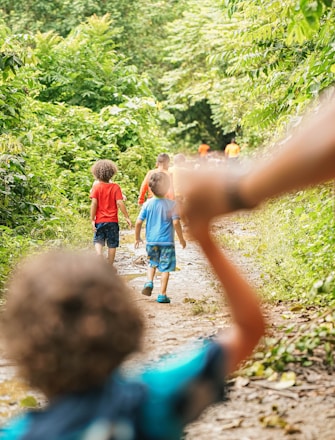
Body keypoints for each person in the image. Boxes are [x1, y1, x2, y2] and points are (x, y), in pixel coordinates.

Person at [0, 193, 265, 439]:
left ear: (19, 347)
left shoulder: (18, 434)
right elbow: (249, 328)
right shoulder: (153, 399)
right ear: (127, 323)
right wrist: (205, 238)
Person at [181, 93, 335, 221]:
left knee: (230, 168)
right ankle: (232, 179)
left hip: (233, 166)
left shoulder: (218, 147)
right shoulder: (224, 147)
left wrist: (235, 190)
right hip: (235, 165)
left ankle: (231, 179)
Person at [135, 172, 186, 303]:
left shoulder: (147, 204)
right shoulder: (172, 204)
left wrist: (137, 238)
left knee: (152, 263)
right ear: (168, 188)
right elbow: (176, 222)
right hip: (167, 242)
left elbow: (139, 222)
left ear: (150, 188)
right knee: (166, 268)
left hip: (151, 241)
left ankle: (149, 282)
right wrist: (181, 239)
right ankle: (162, 295)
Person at [90, 159, 132, 264]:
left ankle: (99, 254)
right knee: (112, 244)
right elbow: (120, 203)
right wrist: (126, 216)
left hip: (99, 220)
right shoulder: (115, 187)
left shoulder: (96, 187)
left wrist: (92, 219)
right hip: (113, 221)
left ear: (96, 173)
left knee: (98, 240)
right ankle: (109, 266)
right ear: (112, 173)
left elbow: (94, 204)